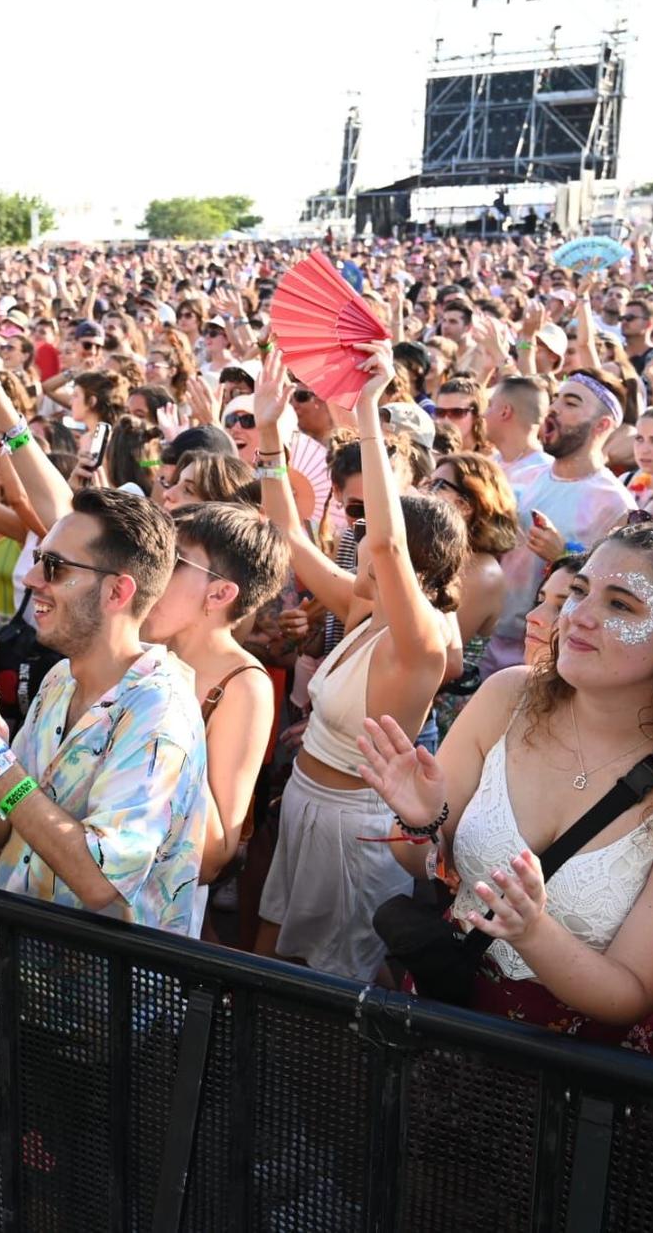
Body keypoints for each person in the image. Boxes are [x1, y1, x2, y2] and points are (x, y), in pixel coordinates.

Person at [360, 521, 653, 1051]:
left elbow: (633, 992)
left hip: (572, 1073)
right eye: (580, 591)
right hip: (442, 1011)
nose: (577, 616)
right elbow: (421, 859)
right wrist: (422, 823)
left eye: (620, 606)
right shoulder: (508, 697)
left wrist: (533, 932)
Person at [0, 487, 211, 935]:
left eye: (53, 566)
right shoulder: (59, 679)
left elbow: (98, 879)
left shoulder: (160, 712)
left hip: (104, 992)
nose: (30, 579)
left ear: (117, 591)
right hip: (15, 971)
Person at [250, 346, 464, 975]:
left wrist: (368, 412)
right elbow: (286, 537)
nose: (358, 540)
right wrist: (269, 434)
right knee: (274, 948)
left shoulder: (418, 640)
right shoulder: (361, 608)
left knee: (335, 985)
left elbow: (390, 543)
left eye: (368, 530)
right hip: (306, 802)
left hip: (358, 832)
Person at [142, 502, 284, 889]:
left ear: (220, 593)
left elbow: (213, 856)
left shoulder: (243, 685)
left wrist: (172, 714)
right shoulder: (138, 646)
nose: (151, 570)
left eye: (173, 561)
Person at [490, 371, 638, 674]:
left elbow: (614, 587)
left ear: (602, 425)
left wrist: (563, 554)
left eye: (570, 403)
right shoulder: (527, 474)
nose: (554, 409)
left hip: (546, 654)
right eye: (555, 400)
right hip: (488, 636)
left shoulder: (614, 503)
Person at [424, 452, 520, 732]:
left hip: (435, 713)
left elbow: (436, 658)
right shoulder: (444, 556)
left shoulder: (482, 572)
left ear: (465, 505)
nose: (425, 490)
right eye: (429, 481)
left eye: (438, 486)